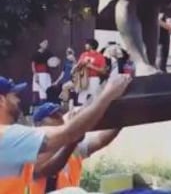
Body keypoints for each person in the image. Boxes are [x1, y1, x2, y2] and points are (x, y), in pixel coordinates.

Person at [0, 74, 130, 193]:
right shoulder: (7, 136)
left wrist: (125, 115)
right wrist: (109, 93)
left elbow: (82, 137)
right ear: (1, 100)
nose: (18, 101)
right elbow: (68, 133)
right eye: (14, 95)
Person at [30, 102, 121, 193]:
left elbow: (100, 140)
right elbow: (49, 169)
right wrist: (72, 138)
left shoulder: (70, 144)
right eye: (54, 116)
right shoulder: (32, 150)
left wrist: (122, 120)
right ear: (39, 124)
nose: (61, 118)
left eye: (60, 115)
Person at [73, 39, 106, 105]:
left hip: (94, 79)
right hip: (83, 79)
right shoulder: (83, 54)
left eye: (87, 44)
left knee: (94, 98)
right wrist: (78, 66)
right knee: (81, 98)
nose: (85, 45)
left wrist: (91, 66)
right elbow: (78, 65)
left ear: (91, 46)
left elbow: (103, 71)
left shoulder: (100, 56)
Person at [32, 39, 54, 107]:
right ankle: (34, 109)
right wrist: (35, 74)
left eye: (47, 43)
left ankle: (45, 108)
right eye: (44, 43)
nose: (46, 44)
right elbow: (33, 65)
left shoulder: (48, 53)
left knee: (46, 92)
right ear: (40, 44)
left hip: (47, 75)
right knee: (38, 92)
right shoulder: (36, 54)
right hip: (39, 74)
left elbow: (54, 62)